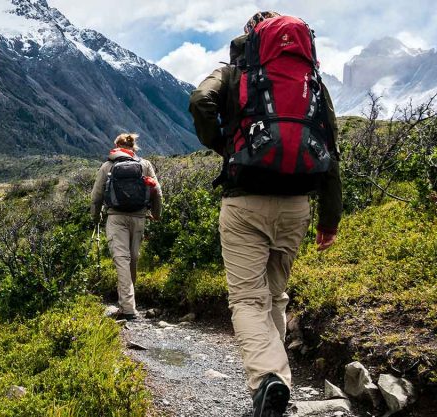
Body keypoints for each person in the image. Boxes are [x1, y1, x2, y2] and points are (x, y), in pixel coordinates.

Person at [189, 11, 343, 417]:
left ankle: (268, 380)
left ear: (251, 37)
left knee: (246, 300)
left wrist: (226, 145)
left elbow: (199, 102)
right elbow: (330, 149)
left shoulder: (236, 73)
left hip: (245, 201)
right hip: (297, 204)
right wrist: (330, 220)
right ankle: (280, 385)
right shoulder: (312, 82)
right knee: (276, 294)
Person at [90, 133, 163, 320]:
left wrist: (96, 218)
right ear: (134, 147)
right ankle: (129, 303)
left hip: (116, 218)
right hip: (139, 218)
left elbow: (96, 196)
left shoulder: (108, 166)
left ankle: (128, 308)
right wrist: (156, 214)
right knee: (132, 260)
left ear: (116, 146)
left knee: (121, 259)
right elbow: (157, 191)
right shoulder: (144, 165)